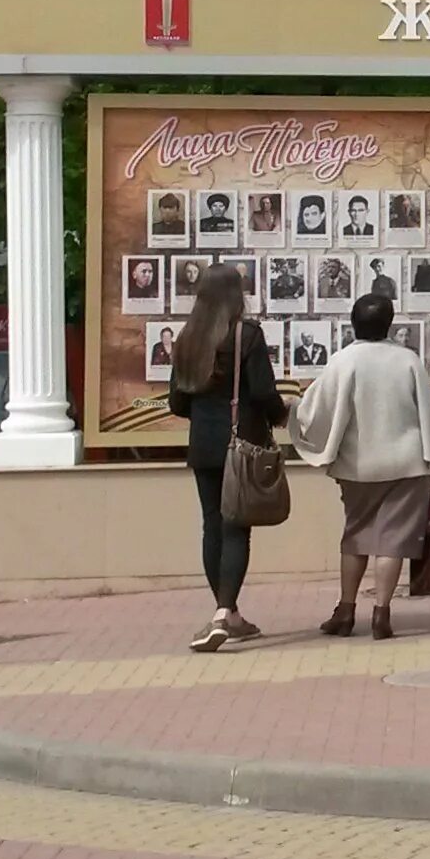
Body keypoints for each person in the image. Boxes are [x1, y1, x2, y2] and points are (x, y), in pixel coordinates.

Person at [289, 295, 430, 642]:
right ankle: (381, 614)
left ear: (353, 322)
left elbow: (316, 409)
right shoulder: (409, 361)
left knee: (356, 536)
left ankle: (345, 611)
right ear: (390, 323)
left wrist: (289, 411)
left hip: (357, 465)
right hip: (407, 463)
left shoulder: (343, 360)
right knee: (392, 542)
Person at [163, 264, 286, 652]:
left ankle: (227, 613)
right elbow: (264, 392)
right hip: (242, 444)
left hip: (203, 444)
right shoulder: (246, 335)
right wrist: (281, 416)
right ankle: (224, 611)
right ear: (237, 295)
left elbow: (177, 402)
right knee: (236, 526)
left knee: (212, 525)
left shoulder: (187, 338)